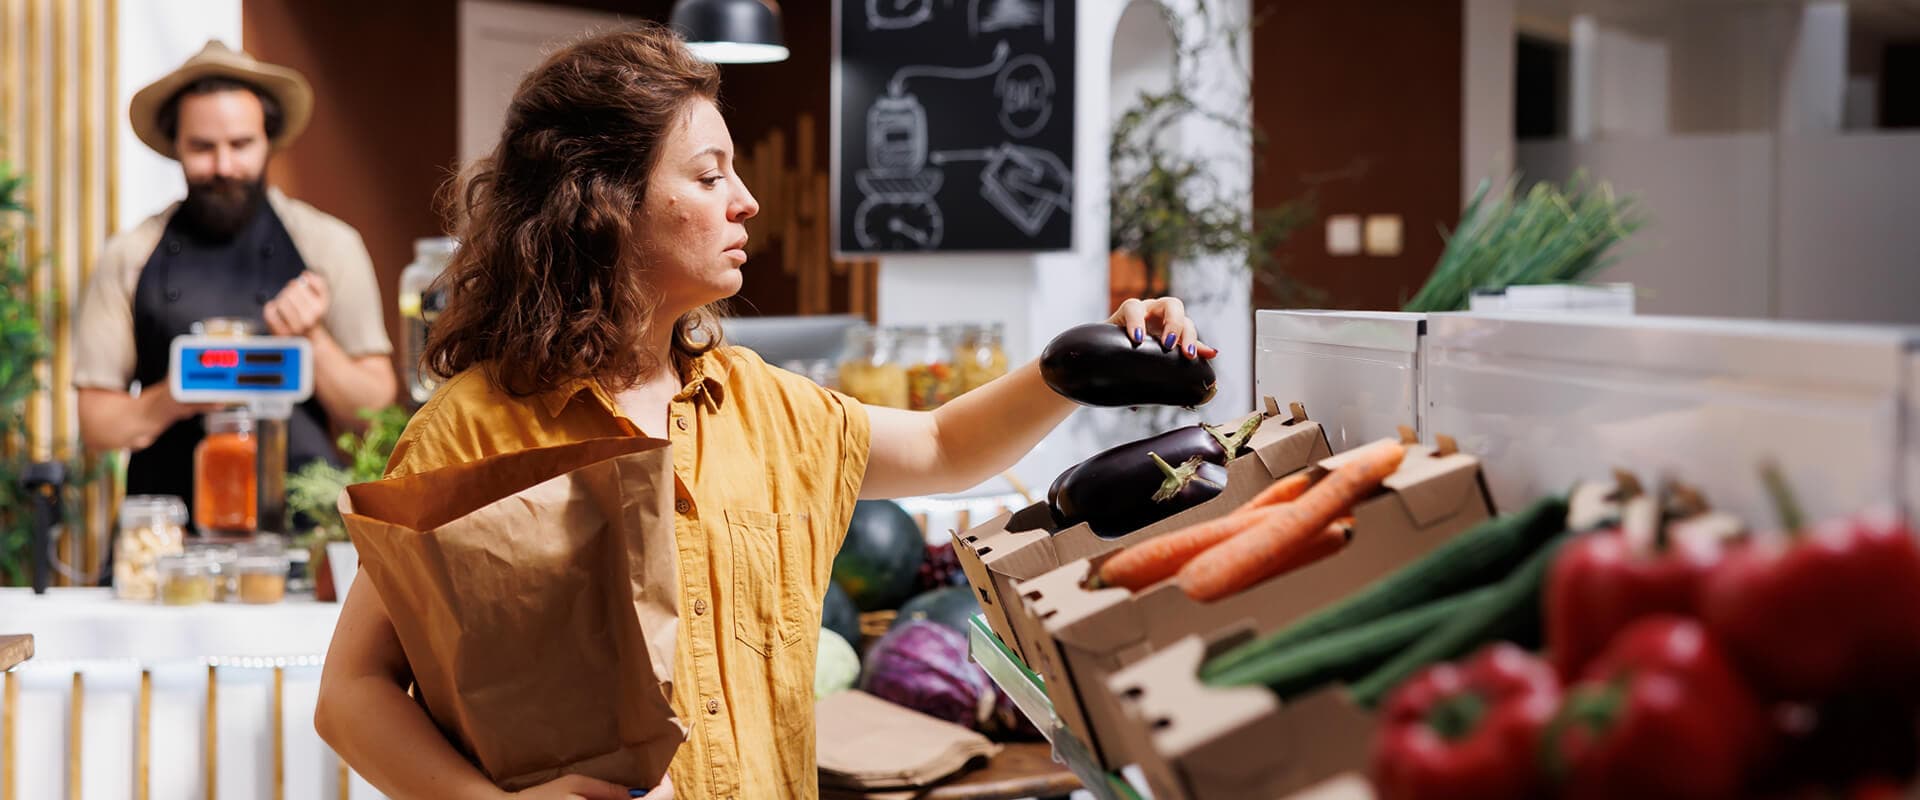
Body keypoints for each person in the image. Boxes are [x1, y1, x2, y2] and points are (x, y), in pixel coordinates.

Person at [314, 23, 1216, 800]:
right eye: (709, 178)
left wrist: (1092, 355)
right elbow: (352, 690)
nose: (746, 202)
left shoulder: (762, 405)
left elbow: (944, 445)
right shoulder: (475, 429)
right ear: (604, 205)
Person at [71, 41, 395, 521]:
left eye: (241, 145)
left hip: (302, 523)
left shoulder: (329, 246)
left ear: (269, 140)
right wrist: (173, 397)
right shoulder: (129, 256)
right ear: (175, 146)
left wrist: (313, 339)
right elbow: (96, 424)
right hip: (165, 530)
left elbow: (374, 412)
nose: (223, 166)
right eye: (202, 147)